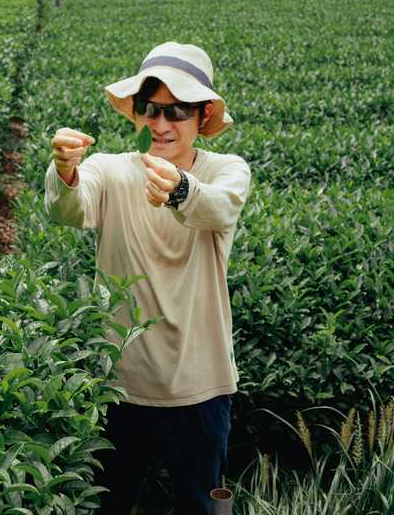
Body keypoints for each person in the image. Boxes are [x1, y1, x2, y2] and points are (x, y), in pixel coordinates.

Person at [44, 42, 252, 515]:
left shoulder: (226, 170)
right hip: (120, 384)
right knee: (108, 504)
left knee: (203, 505)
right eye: (150, 109)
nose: (160, 125)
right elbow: (67, 209)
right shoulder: (110, 170)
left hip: (202, 385)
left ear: (202, 116)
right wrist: (64, 170)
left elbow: (218, 207)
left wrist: (180, 188)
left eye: (176, 111)